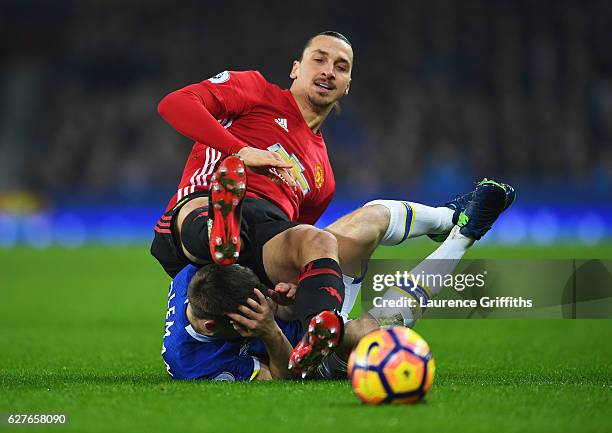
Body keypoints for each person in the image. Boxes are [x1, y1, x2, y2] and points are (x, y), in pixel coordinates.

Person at [161, 179, 516, 379]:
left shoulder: (200, 276)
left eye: (261, 294)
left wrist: (282, 300)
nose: (262, 303)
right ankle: (464, 235)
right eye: (251, 314)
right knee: (369, 334)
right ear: (212, 326)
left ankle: (448, 216)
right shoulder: (192, 362)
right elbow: (282, 378)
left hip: (315, 304)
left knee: (367, 223)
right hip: (306, 356)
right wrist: (269, 328)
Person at [151, 30, 354, 278]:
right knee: (204, 213)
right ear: (295, 69)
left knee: (305, 244)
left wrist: (292, 279)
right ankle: (219, 229)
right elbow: (175, 103)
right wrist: (241, 151)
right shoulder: (256, 91)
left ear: (347, 86)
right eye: (319, 60)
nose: (329, 71)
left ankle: (323, 315)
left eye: (341, 67)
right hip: (206, 198)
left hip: (262, 244)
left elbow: (294, 240)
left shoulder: (326, 180)